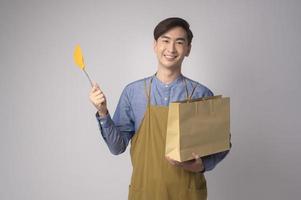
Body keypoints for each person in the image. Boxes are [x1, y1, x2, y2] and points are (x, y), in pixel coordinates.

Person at [89, 17, 230, 200]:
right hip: (145, 193)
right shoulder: (133, 92)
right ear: (155, 45)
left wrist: (201, 165)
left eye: (179, 42)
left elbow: (221, 144)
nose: (171, 49)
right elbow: (117, 147)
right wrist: (102, 112)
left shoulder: (201, 94)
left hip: (187, 194)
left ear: (188, 49)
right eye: (165, 40)